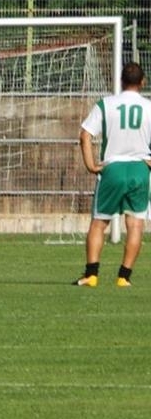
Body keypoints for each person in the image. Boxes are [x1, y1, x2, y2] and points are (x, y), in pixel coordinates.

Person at [74, 62, 151, 288]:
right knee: (136, 225)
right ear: (143, 82)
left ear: (121, 81)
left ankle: (91, 275)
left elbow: (84, 136)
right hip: (139, 169)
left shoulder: (105, 104)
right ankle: (124, 277)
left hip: (113, 169)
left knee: (99, 223)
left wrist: (91, 165)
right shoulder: (149, 107)